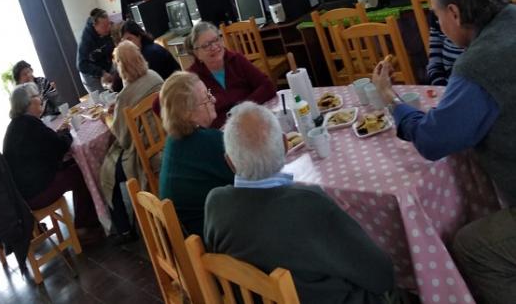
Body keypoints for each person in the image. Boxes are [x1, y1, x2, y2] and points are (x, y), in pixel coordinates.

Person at [372, 0, 515, 304]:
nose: (439, 27)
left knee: (472, 247)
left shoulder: (479, 63)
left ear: (453, 12)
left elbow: (434, 141)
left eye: (437, 19)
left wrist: (390, 99)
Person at [204, 101, 395, 304]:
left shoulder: (215, 204)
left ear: (230, 162)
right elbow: (382, 276)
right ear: (286, 145)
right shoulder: (309, 204)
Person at [2, 83, 100, 232]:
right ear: (27, 103)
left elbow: (48, 144)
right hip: (36, 193)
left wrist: (60, 135)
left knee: (74, 165)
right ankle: (85, 226)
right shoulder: (30, 124)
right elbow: (60, 147)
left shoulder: (17, 125)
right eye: (36, 96)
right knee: (79, 173)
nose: (40, 99)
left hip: (24, 192)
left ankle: (89, 219)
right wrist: (67, 133)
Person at [99, 41, 163, 240]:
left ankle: (124, 229)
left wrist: (107, 117)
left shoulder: (124, 97)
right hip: (165, 139)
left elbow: (123, 137)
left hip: (144, 151)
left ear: (121, 66)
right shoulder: (155, 77)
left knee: (105, 175)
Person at [158, 71, 233, 236]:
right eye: (206, 98)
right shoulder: (209, 143)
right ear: (187, 113)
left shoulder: (174, 140)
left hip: (189, 237)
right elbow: (249, 180)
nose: (213, 100)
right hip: (210, 243)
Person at [184, 21, 276, 128]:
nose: (214, 47)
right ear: (196, 53)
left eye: (216, 40)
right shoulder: (192, 78)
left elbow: (267, 86)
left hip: (251, 119)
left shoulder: (236, 59)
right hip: (220, 132)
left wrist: (242, 108)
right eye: (206, 45)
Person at [422, 0, 482, 85]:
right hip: (451, 86)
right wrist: (440, 86)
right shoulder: (437, 15)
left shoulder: (478, 15)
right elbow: (434, 60)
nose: (432, 4)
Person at [77, 8, 115, 93]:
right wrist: (102, 73)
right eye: (104, 26)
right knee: (103, 98)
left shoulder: (108, 30)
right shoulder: (86, 40)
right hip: (90, 73)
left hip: (105, 65)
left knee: (117, 88)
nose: (108, 28)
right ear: (95, 25)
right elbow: (81, 65)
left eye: (108, 24)